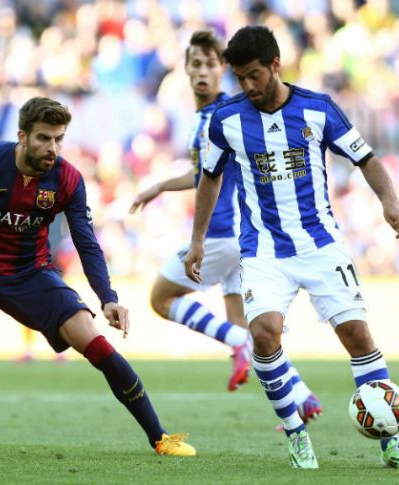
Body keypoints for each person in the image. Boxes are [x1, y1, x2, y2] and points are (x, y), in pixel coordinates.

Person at [0, 96, 195, 459]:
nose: (52, 148)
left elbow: (86, 241)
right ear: (22, 136)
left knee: (95, 343)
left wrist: (108, 297)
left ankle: (160, 437)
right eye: (43, 138)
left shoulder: (68, 178)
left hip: (32, 276)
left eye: (58, 139)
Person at [184, 26, 399, 469]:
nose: (248, 86)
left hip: (321, 244)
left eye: (255, 75)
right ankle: (296, 434)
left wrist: (390, 200)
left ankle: (391, 441)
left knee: (356, 334)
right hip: (262, 251)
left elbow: (366, 158)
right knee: (264, 334)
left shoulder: (318, 108)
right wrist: (196, 240)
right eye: (240, 78)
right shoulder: (227, 120)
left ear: (276, 65)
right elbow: (210, 177)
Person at [130, 30, 323, 423]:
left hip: (221, 233)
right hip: (248, 237)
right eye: (196, 64)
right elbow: (202, 171)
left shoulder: (219, 117)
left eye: (211, 64)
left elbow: (209, 177)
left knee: (160, 297)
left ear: (224, 70)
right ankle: (302, 396)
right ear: (185, 69)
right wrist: (161, 186)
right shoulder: (217, 116)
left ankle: (237, 344)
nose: (203, 71)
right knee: (254, 332)